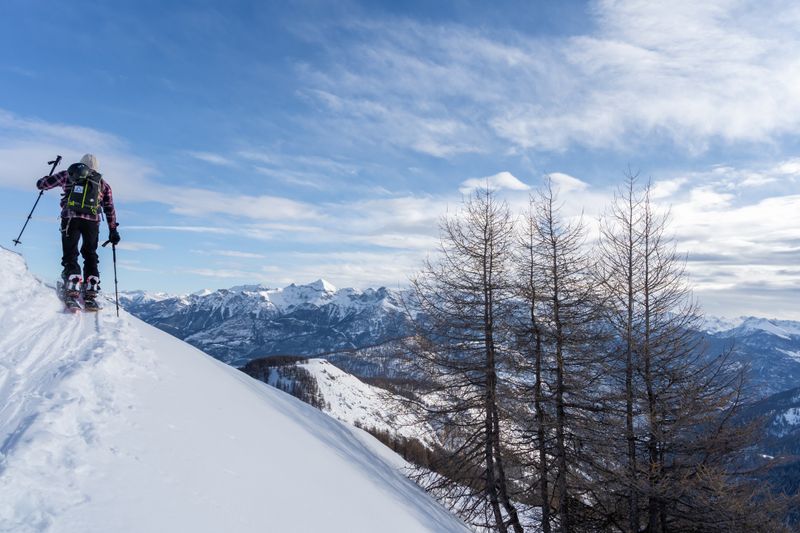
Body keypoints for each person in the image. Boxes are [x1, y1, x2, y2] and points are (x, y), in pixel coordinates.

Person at [37, 153, 120, 309]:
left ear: (81, 163)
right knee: (90, 254)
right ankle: (91, 288)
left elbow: (42, 184)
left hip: (70, 219)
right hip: (92, 223)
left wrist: (43, 180)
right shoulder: (102, 184)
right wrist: (113, 230)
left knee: (71, 252)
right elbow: (109, 208)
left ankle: (73, 283)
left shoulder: (69, 174)